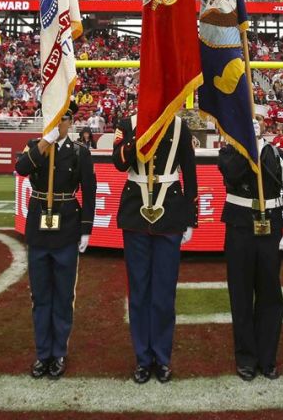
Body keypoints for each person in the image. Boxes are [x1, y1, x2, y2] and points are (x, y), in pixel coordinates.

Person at [112, 112, 198, 384]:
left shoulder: (179, 126)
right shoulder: (127, 125)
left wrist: (190, 218)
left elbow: (189, 170)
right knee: (138, 292)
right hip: (136, 215)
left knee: (163, 293)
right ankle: (142, 358)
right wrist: (140, 137)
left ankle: (162, 358)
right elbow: (118, 162)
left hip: (170, 214)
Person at [14, 100, 96, 380]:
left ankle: (58, 351)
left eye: (63, 119)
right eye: (54, 118)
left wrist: (86, 229)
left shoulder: (79, 152)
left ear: (71, 122)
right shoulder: (35, 145)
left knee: (63, 294)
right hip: (39, 223)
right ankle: (42, 352)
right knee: (40, 294)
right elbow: (22, 168)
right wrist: (44, 143)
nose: (58, 124)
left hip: (67, 225)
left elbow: (90, 190)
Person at [217, 113, 283, 381]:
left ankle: (267, 357)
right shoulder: (230, 152)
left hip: (271, 229)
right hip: (240, 228)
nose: (255, 122)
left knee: (270, 295)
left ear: (266, 124)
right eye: (249, 117)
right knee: (240, 294)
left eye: (259, 118)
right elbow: (233, 172)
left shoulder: (276, 154)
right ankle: (246, 357)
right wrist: (247, 144)